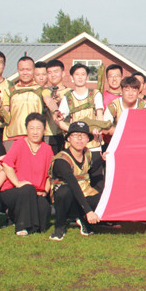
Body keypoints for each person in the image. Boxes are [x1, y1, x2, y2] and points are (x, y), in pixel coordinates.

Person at [0, 113, 53, 234]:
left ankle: (25, 222)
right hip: (14, 190)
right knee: (27, 189)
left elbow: (50, 174)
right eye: (31, 128)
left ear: (44, 130)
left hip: (35, 192)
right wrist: (17, 183)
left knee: (43, 208)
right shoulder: (19, 144)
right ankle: (21, 226)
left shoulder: (47, 149)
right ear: (26, 129)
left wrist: (45, 191)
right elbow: (7, 164)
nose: (35, 132)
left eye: (38, 128)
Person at [49, 121, 101, 240]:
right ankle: (59, 226)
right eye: (75, 135)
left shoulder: (87, 154)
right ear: (68, 139)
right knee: (65, 192)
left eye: (83, 135)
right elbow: (73, 184)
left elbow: (91, 168)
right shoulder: (62, 159)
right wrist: (88, 211)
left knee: (101, 200)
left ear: (88, 139)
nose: (79, 138)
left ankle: (81, 218)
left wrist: (103, 159)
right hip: (66, 195)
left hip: (85, 191)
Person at [57, 63, 105, 192]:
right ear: (71, 77)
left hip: (93, 143)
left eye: (83, 74)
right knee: (76, 178)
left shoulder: (95, 94)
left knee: (96, 178)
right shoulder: (68, 97)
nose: (80, 77)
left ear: (87, 77)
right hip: (75, 146)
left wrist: (97, 128)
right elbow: (59, 121)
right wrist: (72, 130)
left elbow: (100, 116)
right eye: (77, 74)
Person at [2, 56, 44, 148]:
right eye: (22, 70)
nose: (25, 73)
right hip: (12, 137)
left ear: (34, 70)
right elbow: (5, 112)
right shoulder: (10, 90)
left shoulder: (41, 90)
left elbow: (50, 102)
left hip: (35, 137)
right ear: (18, 70)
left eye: (28, 69)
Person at [42, 59, 71, 154]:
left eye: (56, 72)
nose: (53, 75)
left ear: (63, 73)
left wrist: (61, 102)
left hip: (66, 134)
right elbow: (48, 100)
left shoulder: (70, 92)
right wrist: (55, 110)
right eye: (49, 72)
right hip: (49, 134)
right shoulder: (46, 91)